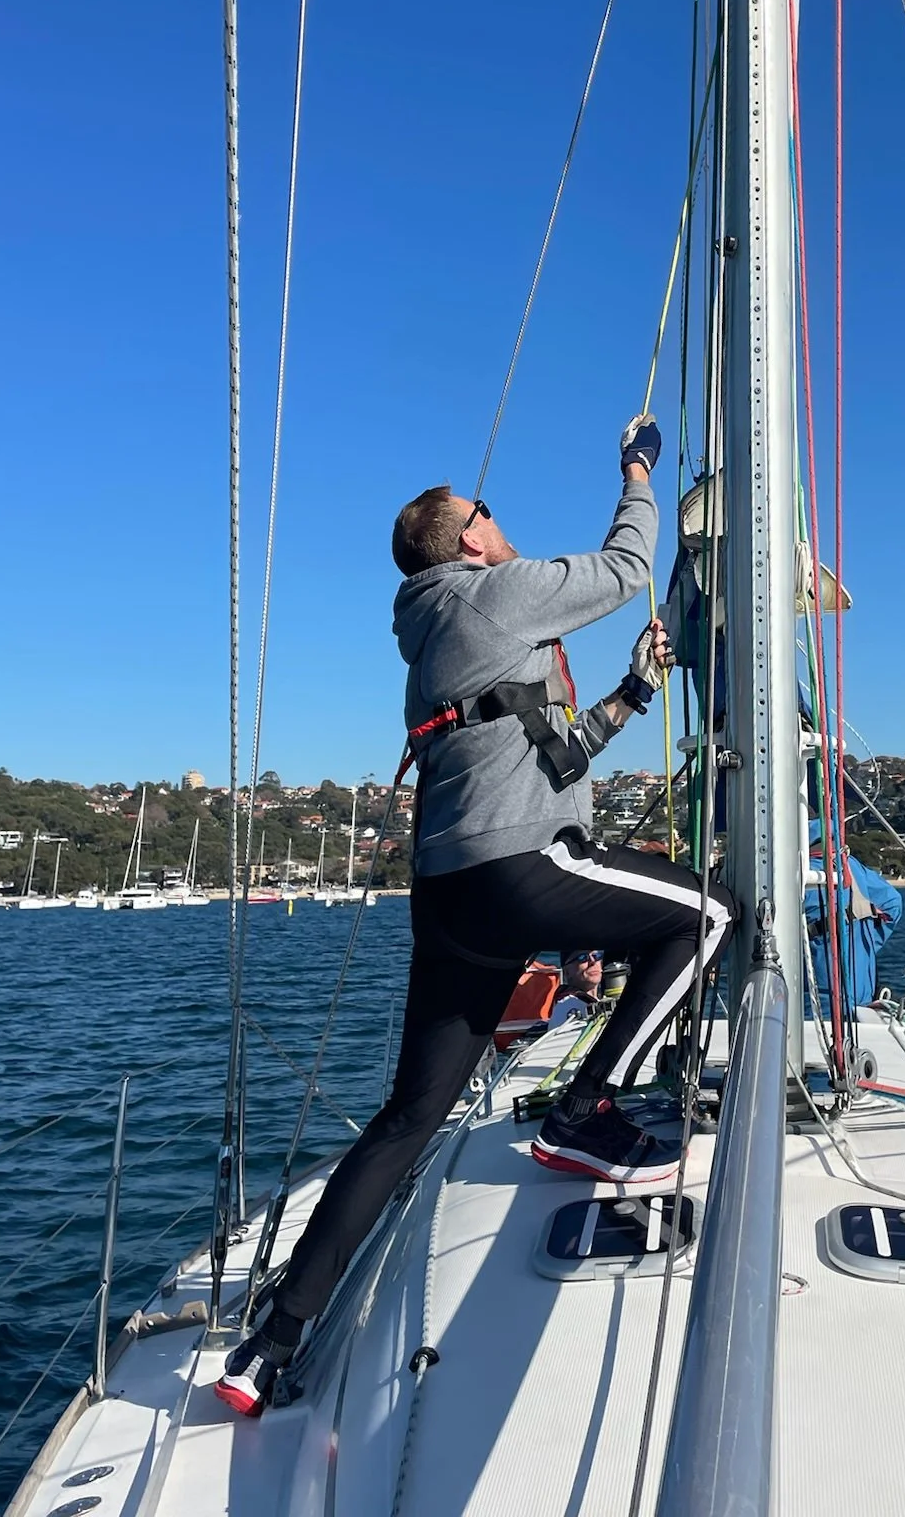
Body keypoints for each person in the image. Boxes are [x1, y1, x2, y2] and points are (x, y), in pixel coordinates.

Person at [216, 415, 736, 1417]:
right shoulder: (492, 591)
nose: (501, 525)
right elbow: (631, 562)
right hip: (522, 868)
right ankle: (587, 1109)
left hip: (452, 896)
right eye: (490, 515)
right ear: (468, 537)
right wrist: (635, 464)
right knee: (711, 912)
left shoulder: (438, 635)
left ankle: (272, 1341)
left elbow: (554, 754)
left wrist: (631, 692)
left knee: (409, 1117)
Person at [804, 842, 902, 1009]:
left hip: (809, 1001)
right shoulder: (851, 867)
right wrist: (865, 945)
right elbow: (893, 905)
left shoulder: (784, 874)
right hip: (859, 995)